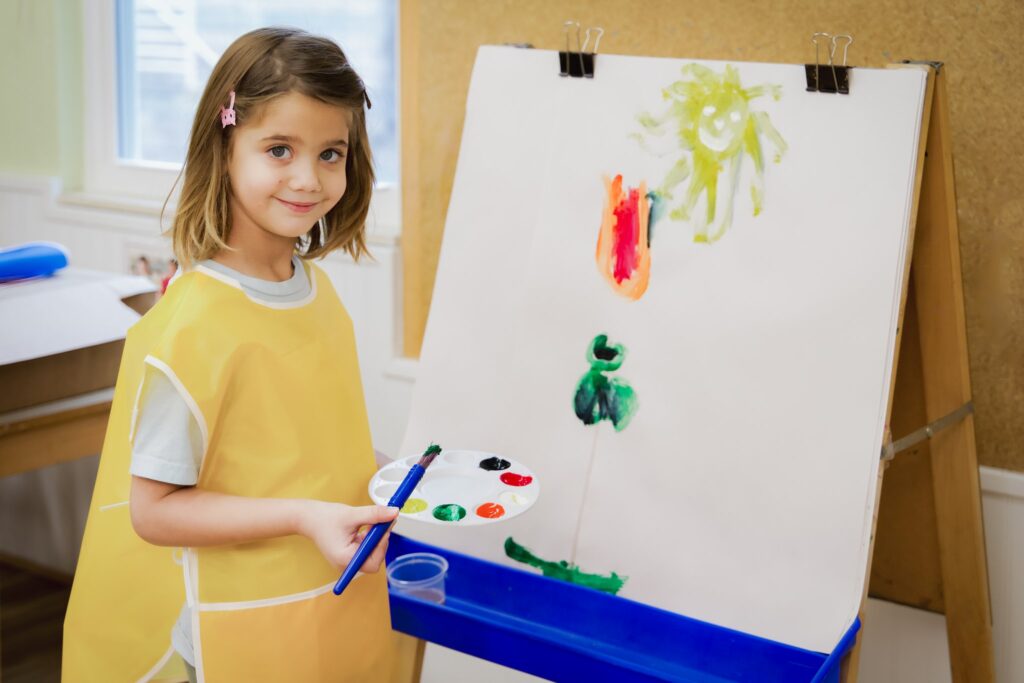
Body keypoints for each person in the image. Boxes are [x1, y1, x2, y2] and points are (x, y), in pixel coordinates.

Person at [63, 27, 412, 682]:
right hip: (240, 634)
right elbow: (155, 508)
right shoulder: (193, 324)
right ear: (224, 148)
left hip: (329, 608)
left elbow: (295, 447)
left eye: (331, 152)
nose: (308, 178)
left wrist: (388, 471)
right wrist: (304, 516)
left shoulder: (319, 292)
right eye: (279, 149)